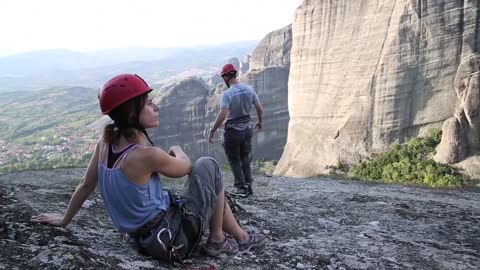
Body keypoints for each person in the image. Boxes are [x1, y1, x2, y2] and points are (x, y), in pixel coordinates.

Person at [31, 74, 264, 263]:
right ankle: (217, 240)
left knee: (207, 188)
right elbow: (188, 167)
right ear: (132, 112)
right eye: (149, 103)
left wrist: (65, 219)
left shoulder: (104, 145)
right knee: (209, 165)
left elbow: (86, 184)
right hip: (171, 240)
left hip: (145, 238)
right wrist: (177, 149)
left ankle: (241, 236)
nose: (157, 107)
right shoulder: (146, 156)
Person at [209, 64, 263, 198]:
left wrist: (213, 130)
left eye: (223, 77)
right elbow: (259, 108)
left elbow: (223, 114)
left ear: (226, 77)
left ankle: (240, 187)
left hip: (233, 131)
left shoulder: (227, 94)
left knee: (234, 159)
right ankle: (249, 186)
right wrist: (260, 122)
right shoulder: (249, 89)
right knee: (245, 156)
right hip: (248, 128)